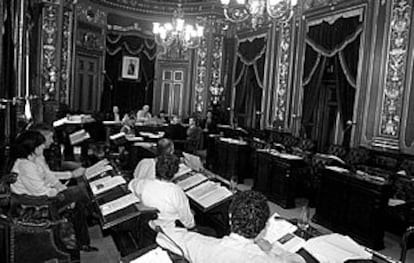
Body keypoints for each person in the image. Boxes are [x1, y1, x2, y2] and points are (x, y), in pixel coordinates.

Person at [156, 190, 305, 263]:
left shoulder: (201, 245)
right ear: (264, 228)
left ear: (229, 218)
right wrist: (272, 249)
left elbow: (165, 235)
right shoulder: (269, 260)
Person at [9, 130, 98, 252]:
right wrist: (60, 193)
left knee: (78, 201)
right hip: (36, 203)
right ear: (32, 147)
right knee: (80, 190)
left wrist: (62, 190)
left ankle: (83, 243)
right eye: (39, 145)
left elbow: (49, 177)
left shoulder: (35, 158)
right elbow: (41, 192)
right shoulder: (25, 165)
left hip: (44, 196)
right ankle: (97, 212)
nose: (42, 146)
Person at [129, 154, 195, 230]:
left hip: (149, 226)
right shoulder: (175, 191)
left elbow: (130, 185)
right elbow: (189, 223)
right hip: (170, 230)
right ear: (175, 172)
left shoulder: (143, 183)